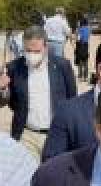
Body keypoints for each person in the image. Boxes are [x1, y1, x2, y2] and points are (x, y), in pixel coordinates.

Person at [5, 26, 78, 158]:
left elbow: (72, 98)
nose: (32, 54)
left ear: (45, 47)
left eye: (37, 51)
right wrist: (1, 88)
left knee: (53, 176)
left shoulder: (62, 66)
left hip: (56, 135)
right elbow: (12, 102)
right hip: (27, 136)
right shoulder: (14, 68)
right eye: (28, 50)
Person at [74, 16, 91, 81]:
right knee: (85, 60)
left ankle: (80, 76)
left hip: (80, 45)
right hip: (86, 45)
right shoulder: (88, 29)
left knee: (80, 60)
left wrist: (76, 35)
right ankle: (86, 76)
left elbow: (78, 38)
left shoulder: (79, 29)